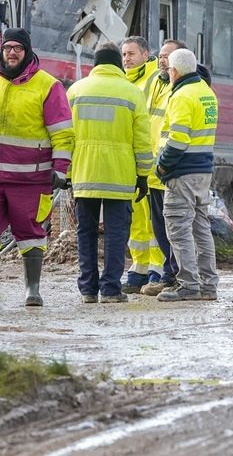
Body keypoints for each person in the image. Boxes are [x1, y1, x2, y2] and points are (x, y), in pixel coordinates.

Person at [0, 28, 73, 307]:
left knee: (30, 232)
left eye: (18, 48)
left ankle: (32, 290)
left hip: (31, 177)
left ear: (27, 51)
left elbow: (62, 133)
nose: (12, 53)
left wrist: (60, 168)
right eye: (8, 47)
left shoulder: (48, 86)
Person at [68, 42, 153, 304]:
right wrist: (143, 174)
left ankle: (87, 290)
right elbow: (142, 140)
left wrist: (67, 172)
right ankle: (111, 290)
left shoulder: (76, 90)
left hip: (85, 173)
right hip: (120, 175)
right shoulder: (132, 93)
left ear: (96, 63)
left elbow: (65, 137)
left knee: (86, 232)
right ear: (118, 63)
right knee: (117, 233)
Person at [155, 47, 219, 302]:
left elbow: (178, 140)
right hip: (203, 170)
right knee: (201, 228)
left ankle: (188, 284)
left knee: (179, 229)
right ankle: (208, 284)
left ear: (174, 71)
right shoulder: (206, 92)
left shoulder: (182, 96)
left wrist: (162, 166)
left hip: (182, 172)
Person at [119, 35, 168, 294]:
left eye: (131, 54)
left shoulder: (154, 78)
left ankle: (157, 268)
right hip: (133, 161)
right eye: (124, 54)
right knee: (137, 220)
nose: (126, 59)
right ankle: (139, 266)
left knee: (153, 220)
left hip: (150, 160)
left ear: (145, 55)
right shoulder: (125, 80)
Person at [140, 39, 186, 296]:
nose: (162, 59)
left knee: (175, 228)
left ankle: (175, 276)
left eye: (168, 56)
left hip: (169, 170)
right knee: (160, 227)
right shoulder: (154, 83)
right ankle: (169, 275)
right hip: (153, 170)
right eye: (161, 55)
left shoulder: (181, 88)